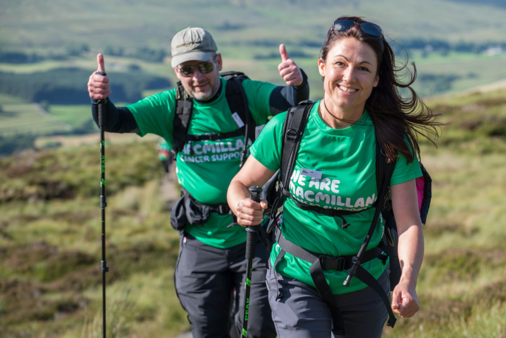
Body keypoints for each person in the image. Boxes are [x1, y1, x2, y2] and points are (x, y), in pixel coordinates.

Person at [87, 26, 309, 338]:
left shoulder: (243, 95)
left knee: (258, 328)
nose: (197, 77)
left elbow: (289, 104)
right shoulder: (170, 106)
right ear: (176, 71)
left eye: (204, 66)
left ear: (217, 61)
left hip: (252, 236)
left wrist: (298, 84)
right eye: (186, 70)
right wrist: (100, 99)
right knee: (207, 329)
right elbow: (115, 120)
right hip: (201, 239)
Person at [228, 17, 439, 338]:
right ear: (322, 66)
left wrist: (407, 280)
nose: (349, 76)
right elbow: (238, 184)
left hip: (364, 280)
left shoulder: (390, 141)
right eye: (340, 63)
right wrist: (241, 205)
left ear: (377, 79)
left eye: (363, 68)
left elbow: (409, 222)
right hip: (294, 276)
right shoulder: (288, 128)